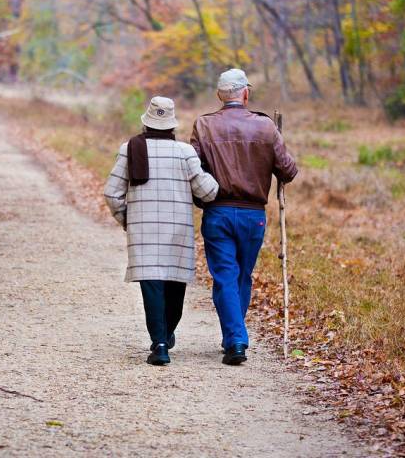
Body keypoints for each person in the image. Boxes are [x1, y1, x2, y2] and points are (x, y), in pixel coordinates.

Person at [191, 69, 298, 365]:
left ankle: (234, 338)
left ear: (219, 96)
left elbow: (192, 168)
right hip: (253, 216)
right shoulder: (265, 127)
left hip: (218, 211)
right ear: (246, 94)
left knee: (225, 276)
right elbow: (288, 171)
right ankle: (235, 338)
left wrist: (202, 194)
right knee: (240, 276)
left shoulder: (203, 125)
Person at [104, 96, 219, 366]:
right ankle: (165, 336)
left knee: (151, 286)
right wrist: (213, 176)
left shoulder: (129, 149)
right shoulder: (185, 152)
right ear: (172, 126)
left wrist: (127, 220)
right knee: (174, 286)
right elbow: (208, 192)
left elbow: (112, 193)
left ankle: (160, 343)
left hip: (143, 232)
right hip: (177, 231)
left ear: (146, 123)